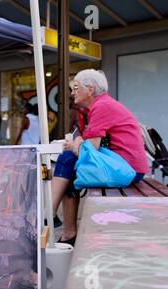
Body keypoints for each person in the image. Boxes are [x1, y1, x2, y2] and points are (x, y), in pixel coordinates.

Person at [52, 69, 149, 246]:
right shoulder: (103, 104)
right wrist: (79, 142)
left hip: (126, 169)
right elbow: (88, 144)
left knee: (67, 159)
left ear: (90, 89)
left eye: (75, 87)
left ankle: (51, 219)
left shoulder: (101, 106)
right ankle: (65, 230)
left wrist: (77, 143)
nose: (72, 92)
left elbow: (90, 148)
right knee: (69, 171)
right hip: (122, 164)